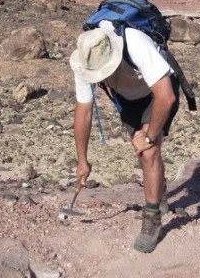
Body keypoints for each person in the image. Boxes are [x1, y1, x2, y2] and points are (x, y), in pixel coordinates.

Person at [70, 23, 179, 253]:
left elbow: (166, 97)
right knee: (143, 152)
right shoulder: (84, 59)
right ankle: (158, 188)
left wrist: (149, 138)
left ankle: (152, 218)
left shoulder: (136, 43)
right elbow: (84, 110)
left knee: (148, 151)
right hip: (128, 99)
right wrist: (82, 160)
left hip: (157, 91)